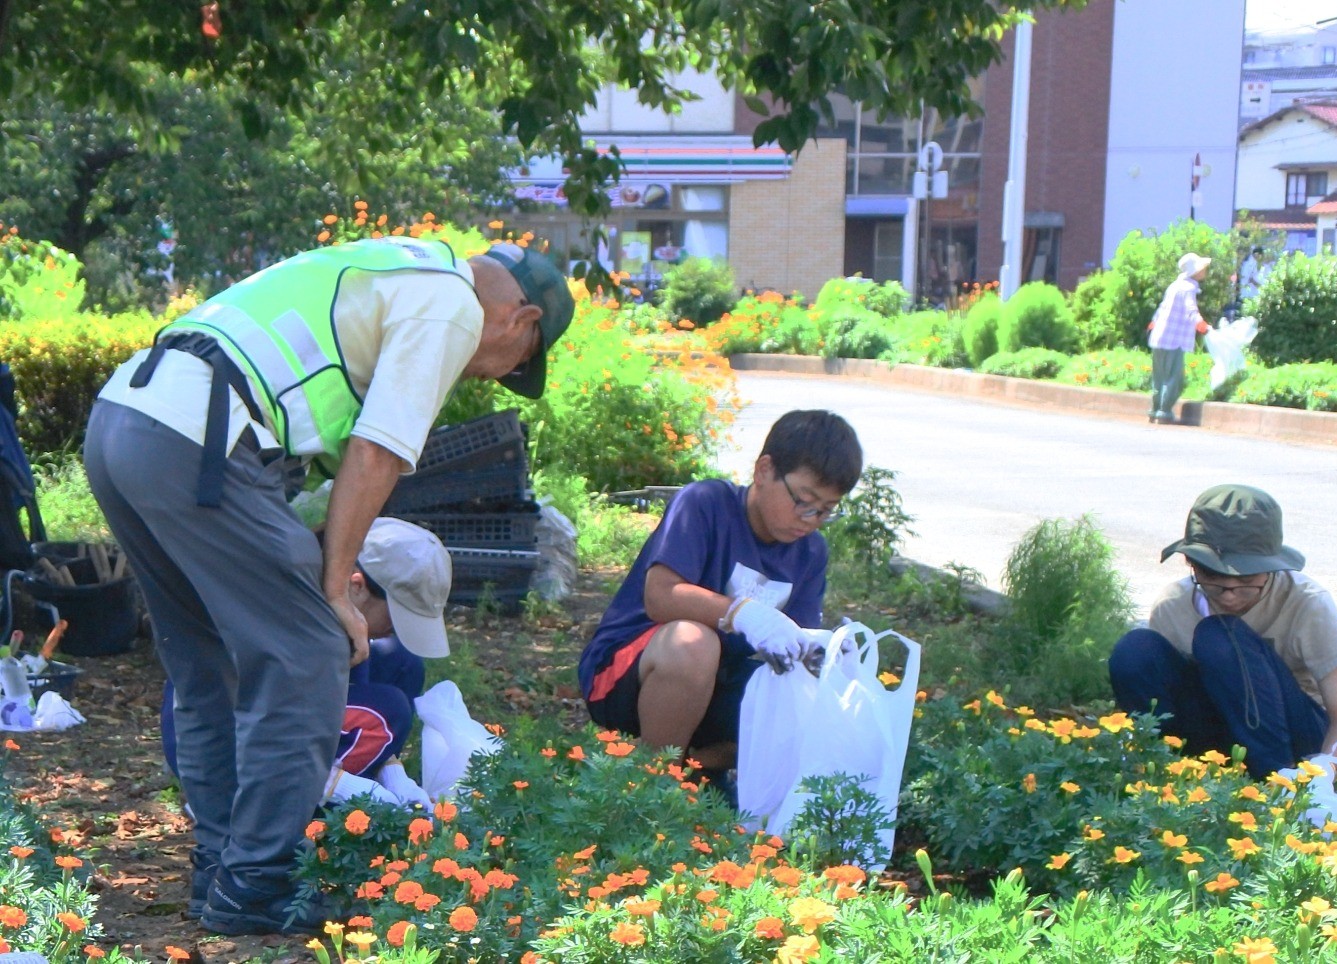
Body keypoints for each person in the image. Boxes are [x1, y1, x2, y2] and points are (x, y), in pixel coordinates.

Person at [83, 237, 573, 936]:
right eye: (515, 366)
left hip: (127, 419)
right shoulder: (452, 305)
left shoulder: (398, 268)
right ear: (522, 322)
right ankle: (259, 880)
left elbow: (333, 463)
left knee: (206, 662)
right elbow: (377, 454)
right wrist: (337, 590)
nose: (491, 376)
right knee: (309, 650)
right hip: (200, 434)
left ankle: (222, 869)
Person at [577, 410, 863, 776]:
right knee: (694, 642)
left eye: (825, 511)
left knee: (802, 697)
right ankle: (655, 781)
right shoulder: (706, 503)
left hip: (718, 686)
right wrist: (742, 613)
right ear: (764, 471)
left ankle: (696, 770)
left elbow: (795, 645)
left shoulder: (811, 552)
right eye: (803, 501)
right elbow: (660, 597)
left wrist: (822, 651)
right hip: (630, 674)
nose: (810, 520)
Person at [160, 517, 448, 823]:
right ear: (356, 585)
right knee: (390, 709)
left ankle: (339, 783)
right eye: (396, 615)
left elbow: (345, 691)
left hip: (277, 716)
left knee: (401, 662)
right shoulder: (298, 620)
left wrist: (393, 773)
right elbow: (268, 721)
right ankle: (257, 807)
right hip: (223, 742)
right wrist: (338, 785)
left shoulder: (332, 605)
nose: (397, 629)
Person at [1107, 484, 1337, 780]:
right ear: (1191, 564)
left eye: (1246, 579)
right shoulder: (1173, 605)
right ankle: (1164, 772)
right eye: (1212, 577)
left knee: (1220, 636)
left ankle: (1273, 781)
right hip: (1215, 734)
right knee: (1135, 650)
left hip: (1295, 738)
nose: (1229, 594)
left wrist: (1324, 771)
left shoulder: (1308, 603)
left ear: (1272, 568)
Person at [1147, 252, 1212, 425]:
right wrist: (1201, 324)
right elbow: (1191, 310)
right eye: (1202, 268)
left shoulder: (1174, 286)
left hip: (1159, 336)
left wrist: (1153, 323)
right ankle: (1164, 413)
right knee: (1173, 377)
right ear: (1195, 272)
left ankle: (1154, 411)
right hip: (1174, 339)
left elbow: (1162, 308)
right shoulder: (1188, 288)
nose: (1205, 270)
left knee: (1159, 377)